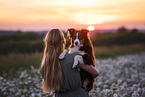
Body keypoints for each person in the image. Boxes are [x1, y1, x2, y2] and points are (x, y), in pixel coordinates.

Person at [40, 29, 99, 97]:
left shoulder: (45, 66)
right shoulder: (74, 57)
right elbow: (95, 73)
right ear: (63, 41)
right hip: (78, 94)